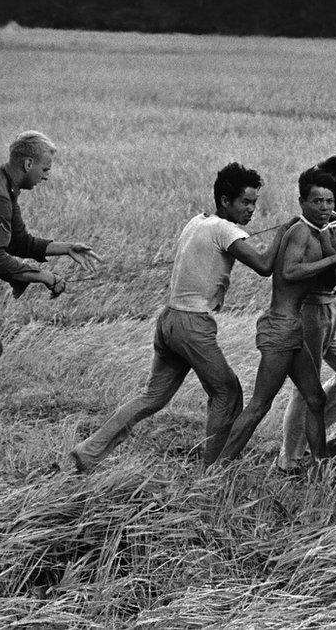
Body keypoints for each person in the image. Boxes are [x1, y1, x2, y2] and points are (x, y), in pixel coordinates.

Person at [72, 162, 292, 471]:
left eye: (255, 202)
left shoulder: (198, 221)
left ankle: (89, 450)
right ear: (225, 201)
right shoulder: (224, 228)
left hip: (169, 321)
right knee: (227, 393)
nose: (252, 209)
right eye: (246, 202)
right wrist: (285, 232)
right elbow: (265, 266)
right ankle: (212, 470)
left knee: (152, 396)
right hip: (192, 325)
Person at [218, 169, 336, 464]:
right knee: (260, 404)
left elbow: (335, 276)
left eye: (329, 201)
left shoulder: (321, 231)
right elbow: (289, 271)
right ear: (301, 202)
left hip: (293, 328)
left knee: (316, 399)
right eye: (317, 201)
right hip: (280, 328)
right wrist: (335, 257)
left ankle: (319, 469)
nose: (324, 208)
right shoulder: (300, 232)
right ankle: (218, 468)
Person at [0, 131, 102, 374]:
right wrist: (44, 276)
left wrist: (67, 248)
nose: (46, 177)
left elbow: (20, 242)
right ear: (28, 164)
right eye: (45, 170)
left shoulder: (4, 186)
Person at [277, 155, 336, 464]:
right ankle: (290, 459)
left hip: (333, 309)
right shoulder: (309, 228)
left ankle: (311, 438)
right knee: (306, 385)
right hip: (310, 311)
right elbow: (293, 271)